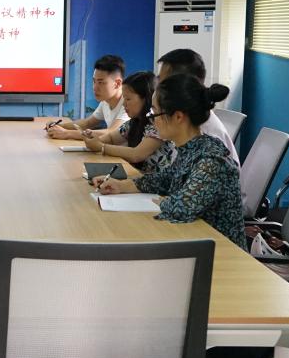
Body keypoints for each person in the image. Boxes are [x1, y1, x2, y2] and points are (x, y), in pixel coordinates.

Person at [93, 73, 245, 249]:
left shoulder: (211, 159)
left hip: (222, 253)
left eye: (155, 112)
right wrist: (121, 185)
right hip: (193, 241)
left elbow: (182, 207)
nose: (151, 119)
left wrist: (160, 201)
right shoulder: (189, 148)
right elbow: (164, 179)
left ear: (178, 117)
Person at [156, 48, 239, 165]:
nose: (158, 87)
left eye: (163, 83)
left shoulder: (206, 140)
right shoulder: (188, 123)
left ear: (182, 85)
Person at [81, 71, 176, 173]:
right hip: (139, 177)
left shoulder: (158, 124)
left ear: (145, 99)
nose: (124, 104)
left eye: (128, 99)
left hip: (156, 181)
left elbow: (136, 155)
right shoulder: (134, 122)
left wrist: (101, 147)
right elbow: (112, 138)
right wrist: (95, 140)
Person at [45, 54, 128, 139]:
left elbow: (113, 133)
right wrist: (59, 126)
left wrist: (67, 133)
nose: (94, 87)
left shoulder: (128, 102)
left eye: (100, 82)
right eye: (94, 81)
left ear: (117, 84)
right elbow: (88, 123)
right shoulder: (105, 101)